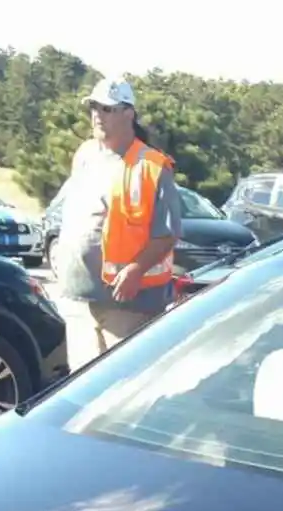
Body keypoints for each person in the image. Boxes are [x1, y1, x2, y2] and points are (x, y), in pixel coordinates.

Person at [52, 76, 182, 369]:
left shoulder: (152, 166)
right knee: (82, 388)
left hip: (128, 304)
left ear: (129, 114)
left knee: (122, 389)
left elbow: (168, 234)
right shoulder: (85, 155)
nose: (98, 115)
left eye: (107, 109)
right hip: (81, 296)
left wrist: (136, 270)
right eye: (94, 107)